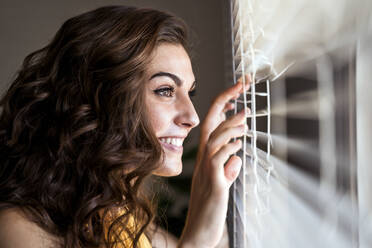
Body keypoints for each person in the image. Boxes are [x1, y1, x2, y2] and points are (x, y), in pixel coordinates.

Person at [0, 5, 249, 248]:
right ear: (103, 99)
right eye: (165, 91)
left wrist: (210, 187)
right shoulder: (19, 228)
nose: (193, 117)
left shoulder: (122, 214)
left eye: (189, 93)